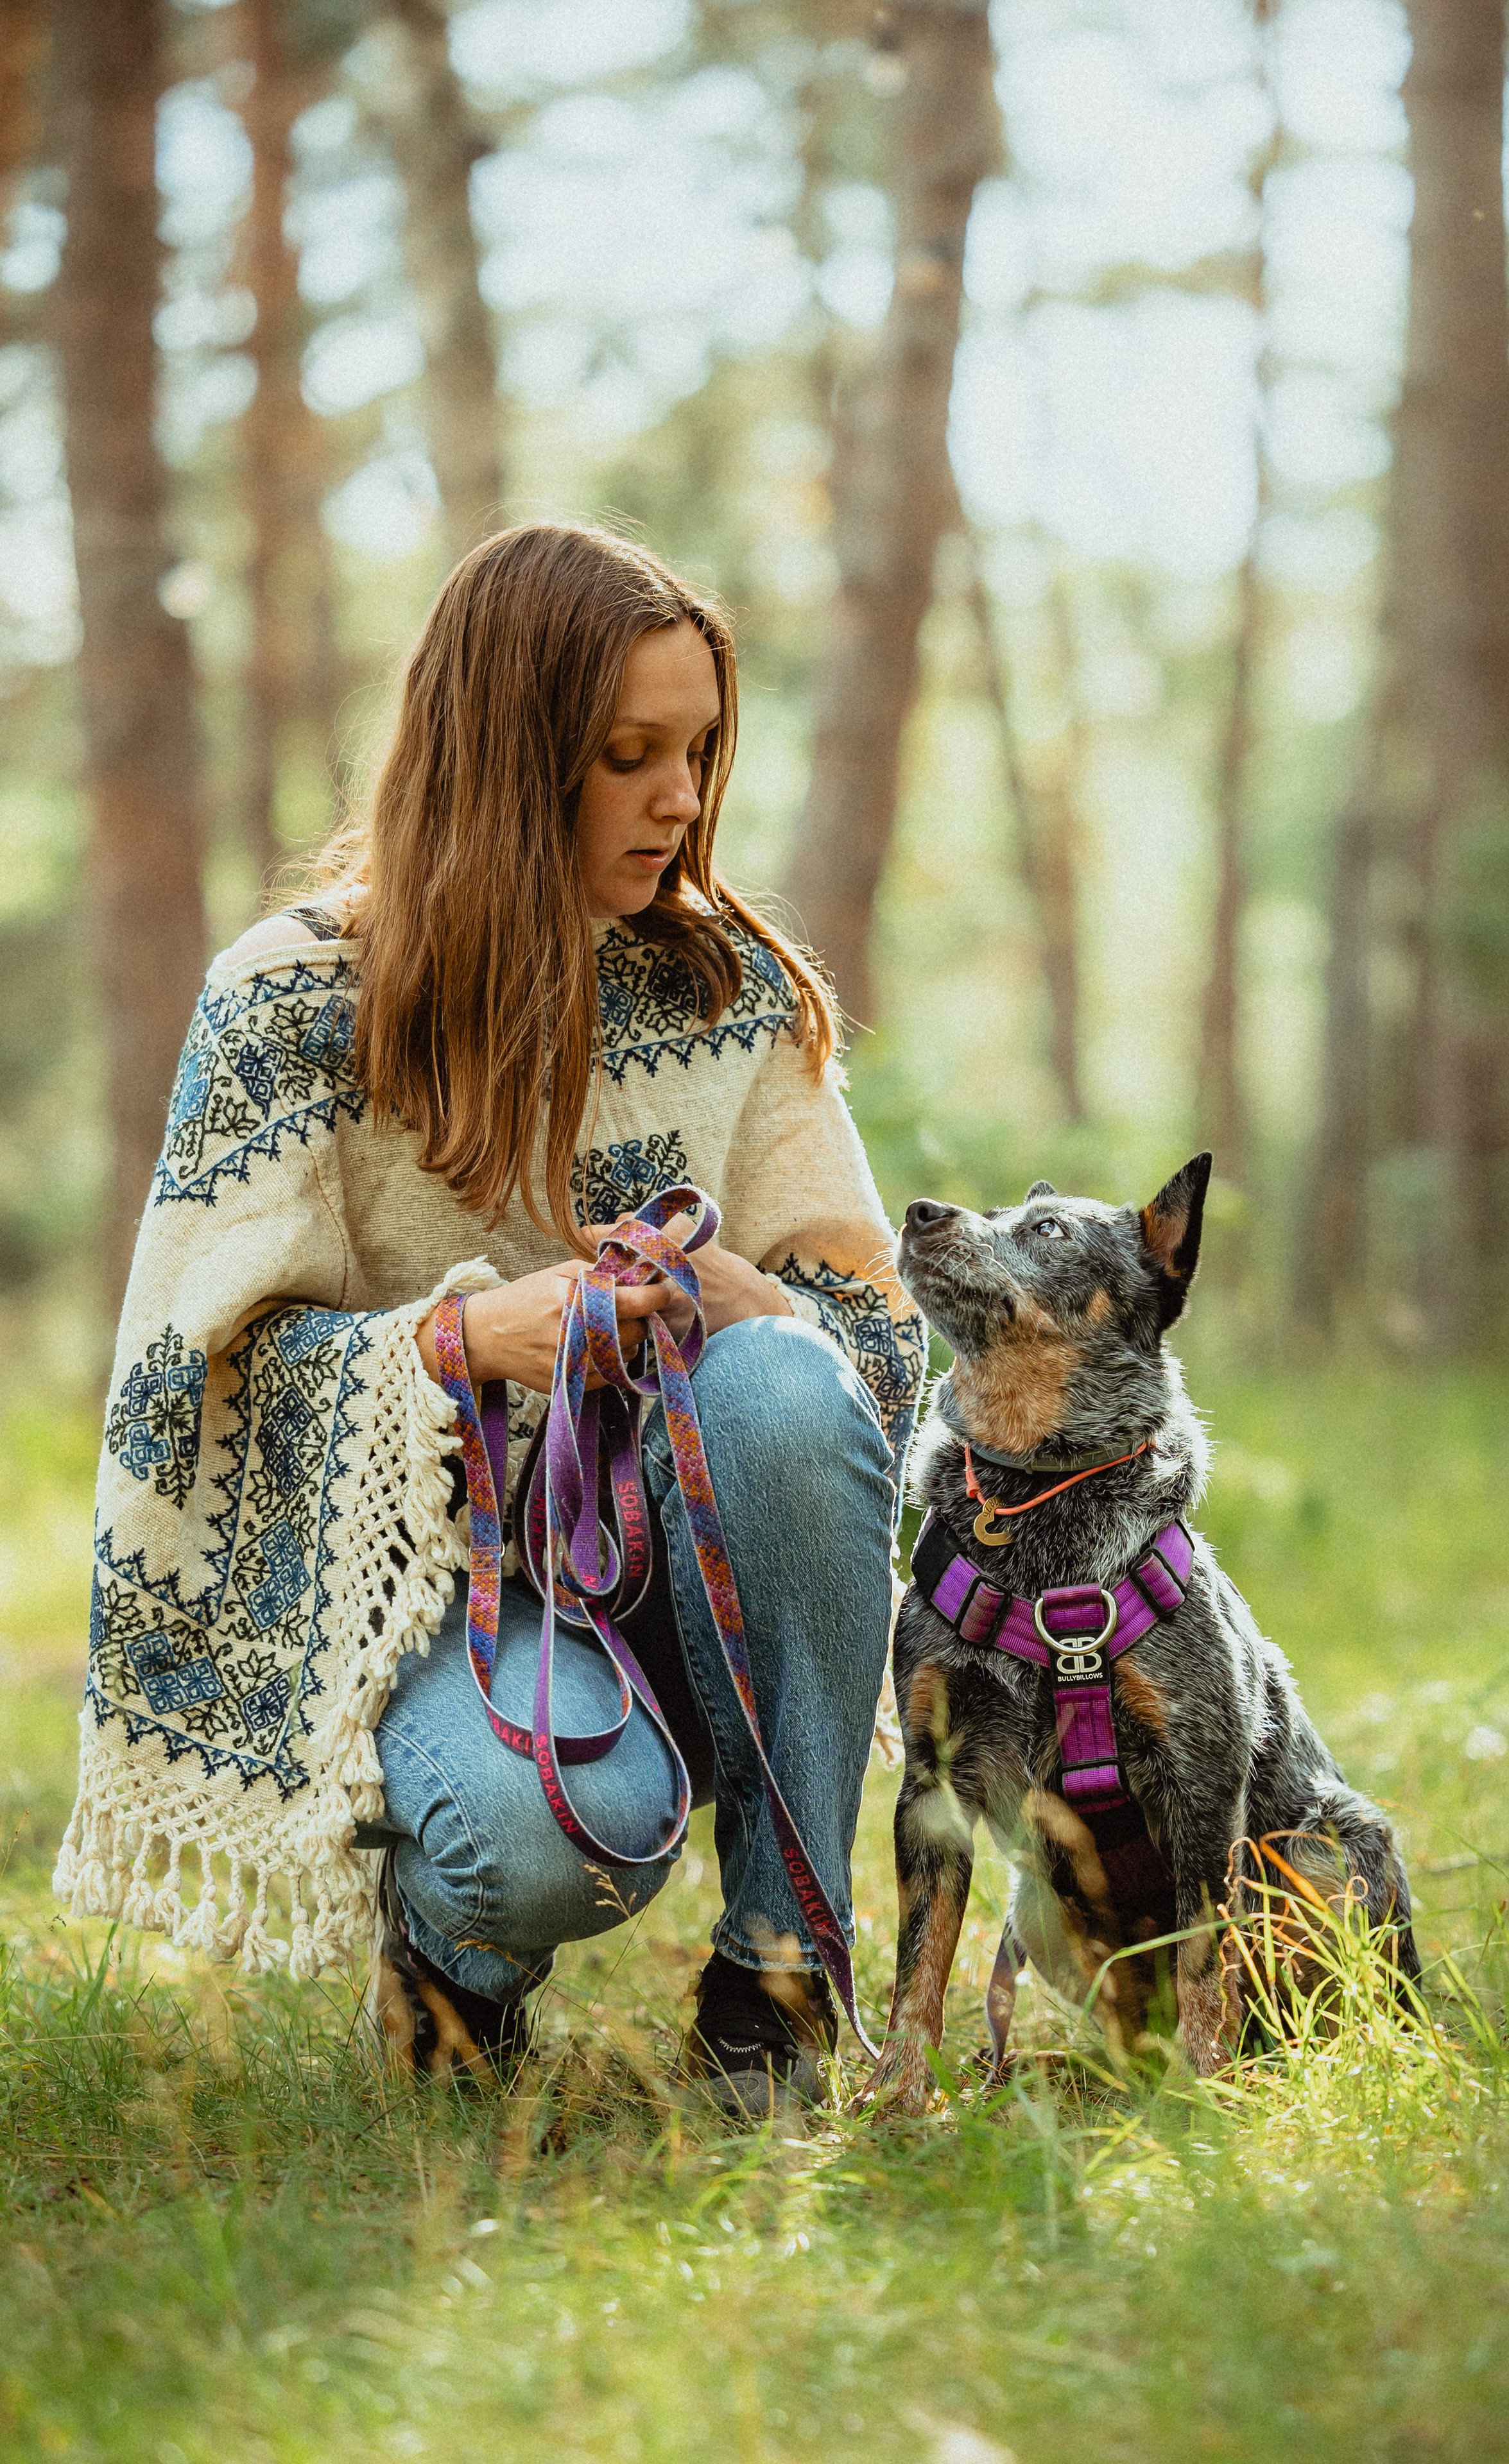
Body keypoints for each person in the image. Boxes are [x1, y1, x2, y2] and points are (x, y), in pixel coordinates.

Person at [57, 522, 925, 2112]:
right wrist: (454, 1346)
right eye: (627, 755)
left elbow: (872, 1342)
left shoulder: (728, 990)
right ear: (510, 758)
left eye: (701, 751)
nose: (680, 797)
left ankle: (779, 1984)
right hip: (433, 1609)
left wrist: (754, 1303)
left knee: (787, 1390)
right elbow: (184, 1391)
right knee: (536, 1847)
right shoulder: (292, 1001)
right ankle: (451, 1971)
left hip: (687, 1556)